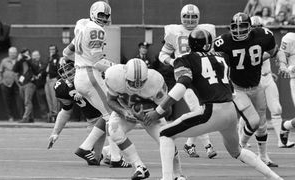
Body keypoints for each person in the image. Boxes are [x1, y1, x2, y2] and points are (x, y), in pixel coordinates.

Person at [144, 28, 283, 180]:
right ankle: (275, 178)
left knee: (165, 134)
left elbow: (181, 85)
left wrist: (158, 111)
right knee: (237, 151)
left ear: (190, 44)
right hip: (230, 111)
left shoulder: (185, 60)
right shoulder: (222, 56)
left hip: (211, 111)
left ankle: (167, 178)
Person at [214, 12, 279, 167]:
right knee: (254, 121)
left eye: (242, 26)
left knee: (262, 124)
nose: (238, 30)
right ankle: (241, 145)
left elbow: (272, 51)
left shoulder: (264, 35)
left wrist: (255, 61)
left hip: (256, 85)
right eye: (235, 27)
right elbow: (218, 63)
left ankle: (263, 156)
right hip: (237, 87)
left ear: (250, 26)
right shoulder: (223, 41)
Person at [62, 1, 120, 167]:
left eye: (105, 16)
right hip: (89, 74)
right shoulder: (96, 30)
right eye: (100, 15)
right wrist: (117, 67)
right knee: (113, 114)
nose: (103, 18)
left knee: (106, 114)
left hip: (80, 75)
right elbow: (96, 60)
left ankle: (86, 148)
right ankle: (116, 158)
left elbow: (67, 52)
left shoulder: (82, 24)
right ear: (94, 13)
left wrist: (80, 61)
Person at [105, 58, 183, 180]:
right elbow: (110, 100)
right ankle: (140, 167)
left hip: (150, 114)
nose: (136, 86)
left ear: (146, 78)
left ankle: (178, 174)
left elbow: (168, 110)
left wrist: (154, 115)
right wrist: (124, 111)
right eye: (132, 83)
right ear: (125, 77)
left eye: (141, 83)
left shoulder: (155, 81)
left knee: (165, 138)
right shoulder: (114, 76)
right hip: (127, 109)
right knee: (114, 131)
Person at [159, 4, 217, 159]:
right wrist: (173, 63)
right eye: (186, 16)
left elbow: (212, 52)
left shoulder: (206, 30)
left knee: (202, 110)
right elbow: (162, 54)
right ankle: (208, 145)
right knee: (197, 108)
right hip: (184, 73)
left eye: (193, 17)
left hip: (201, 73)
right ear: (181, 17)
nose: (189, 20)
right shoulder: (174, 32)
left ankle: (189, 144)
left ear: (198, 18)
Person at [48, 61, 131, 168]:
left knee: (117, 128)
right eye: (66, 75)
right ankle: (111, 156)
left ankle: (109, 155)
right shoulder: (61, 87)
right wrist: (55, 133)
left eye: (70, 72)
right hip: (94, 120)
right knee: (96, 157)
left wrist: (83, 89)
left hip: (104, 114)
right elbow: (66, 110)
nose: (69, 77)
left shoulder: (90, 73)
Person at [249, 16, 294, 148]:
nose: (256, 29)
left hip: (267, 77)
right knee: (251, 112)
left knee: (276, 109)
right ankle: (241, 141)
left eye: (258, 26)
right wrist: (272, 53)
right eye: (254, 27)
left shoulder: (266, 36)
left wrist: (276, 63)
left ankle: (281, 140)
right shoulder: (244, 41)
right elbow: (254, 60)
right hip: (254, 79)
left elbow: (277, 55)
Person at [276, 32, 295, 144]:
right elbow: (280, 59)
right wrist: (290, 68)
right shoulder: (289, 38)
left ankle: (286, 125)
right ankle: (286, 126)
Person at [13, 48, 39, 123]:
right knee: (27, 101)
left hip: (30, 83)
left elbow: (36, 71)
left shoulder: (32, 61)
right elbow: (14, 70)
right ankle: (31, 118)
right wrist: (18, 60)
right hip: (22, 84)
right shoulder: (20, 62)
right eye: (24, 54)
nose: (25, 55)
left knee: (27, 101)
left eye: (27, 53)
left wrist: (29, 60)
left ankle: (25, 118)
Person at [0, 47, 20, 121]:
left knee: (19, 99)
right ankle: (10, 116)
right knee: (7, 101)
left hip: (17, 83)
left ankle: (21, 116)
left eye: (14, 53)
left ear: (16, 53)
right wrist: (0, 82)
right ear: (8, 53)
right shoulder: (4, 61)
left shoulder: (19, 61)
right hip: (6, 83)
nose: (13, 54)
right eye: (11, 53)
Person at [44, 45, 60, 123]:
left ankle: (56, 114)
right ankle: (51, 113)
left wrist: (57, 78)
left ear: (56, 50)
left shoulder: (58, 58)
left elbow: (60, 69)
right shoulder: (48, 58)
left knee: (54, 98)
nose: (51, 50)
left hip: (53, 79)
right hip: (47, 79)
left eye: (53, 49)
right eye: (50, 49)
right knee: (48, 97)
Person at [31, 50, 48, 120]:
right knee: (39, 103)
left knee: (45, 102)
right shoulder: (30, 65)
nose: (36, 57)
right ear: (32, 57)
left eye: (37, 55)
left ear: (39, 56)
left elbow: (45, 73)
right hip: (34, 86)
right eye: (34, 55)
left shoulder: (43, 64)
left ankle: (48, 117)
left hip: (43, 86)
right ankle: (43, 117)